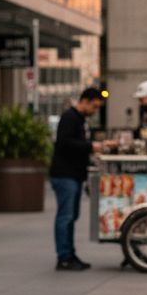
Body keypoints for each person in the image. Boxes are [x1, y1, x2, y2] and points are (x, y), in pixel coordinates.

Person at [49, 87, 103, 271]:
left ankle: (69, 254)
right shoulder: (70, 117)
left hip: (72, 175)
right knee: (66, 216)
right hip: (65, 175)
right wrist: (91, 146)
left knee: (71, 216)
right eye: (94, 106)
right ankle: (64, 257)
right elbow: (64, 143)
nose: (95, 111)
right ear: (85, 101)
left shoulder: (78, 119)